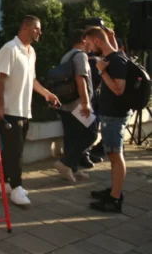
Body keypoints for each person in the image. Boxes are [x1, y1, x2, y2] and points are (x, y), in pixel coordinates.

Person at [0, 15, 61, 209]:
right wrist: (0, 106)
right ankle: (16, 188)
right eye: (36, 28)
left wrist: (46, 93)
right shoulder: (9, 49)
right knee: (15, 152)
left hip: (24, 110)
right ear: (25, 27)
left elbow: (32, 80)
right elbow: (0, 81)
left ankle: (3, 182)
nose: (40, 32)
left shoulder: (31, 52)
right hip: (9, 110)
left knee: (14, 149)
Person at [84, 26, 130, 213]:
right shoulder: (112, 58)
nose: (87, 46)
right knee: (112, 155)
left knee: (116, 156)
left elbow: (119, 89)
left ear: (96, 41)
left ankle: (115, 200)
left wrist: (102, 71)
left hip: (115, 116)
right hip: (111, 115)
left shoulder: (115, 61)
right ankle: (114, 191)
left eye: (88, 42)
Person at [54, 30, 96, 182]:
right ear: (84, 40)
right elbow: (80, 80)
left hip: (65, 104)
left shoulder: (67, 56)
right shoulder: (81, 55)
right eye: (90, 41)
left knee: (72, 137)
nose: (92, 45)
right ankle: (65, 164)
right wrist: (85, 103)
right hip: (78, 105)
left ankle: (73, 168)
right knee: (91, 133)